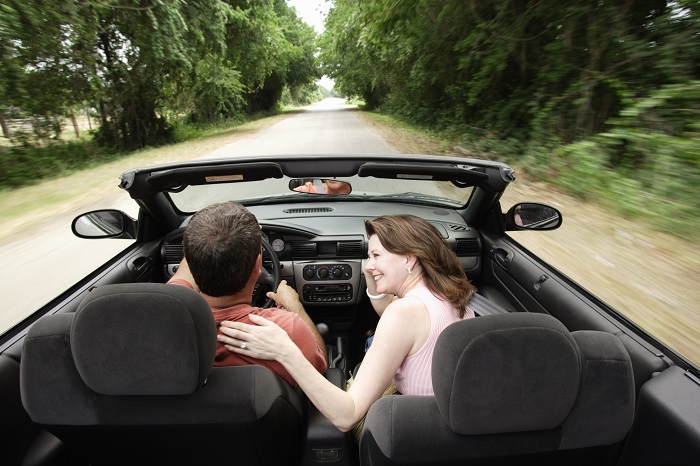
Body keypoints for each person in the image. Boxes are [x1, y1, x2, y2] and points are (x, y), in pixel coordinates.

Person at [217, 214, 476, 433]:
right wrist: (373, 277)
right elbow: (391, 314)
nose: (368, 264)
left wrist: (284, 351)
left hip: (413, 435)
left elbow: (346, 418)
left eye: (375, 255)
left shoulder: (404, 312)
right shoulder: (446, 295)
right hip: (445, 423)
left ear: (409, 259)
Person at [167, 201, 327, 387]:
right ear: (258, 265)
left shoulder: (169, 315)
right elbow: (319, 368)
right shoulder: (284, 329)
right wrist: (294, 306)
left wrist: (220, 237)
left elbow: (188, 264)